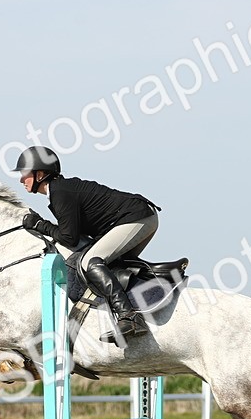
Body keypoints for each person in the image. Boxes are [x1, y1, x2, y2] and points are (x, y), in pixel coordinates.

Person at [14, 146, 160, 342]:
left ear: (40, 174)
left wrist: (41, 225)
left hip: (137, 218)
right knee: (108, 265)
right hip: (137, 217)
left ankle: (129, 316)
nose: (21, 179)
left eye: (25, 174)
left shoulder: (60, 192)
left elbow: (69, 238)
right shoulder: (59, 190)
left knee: (91, 261)